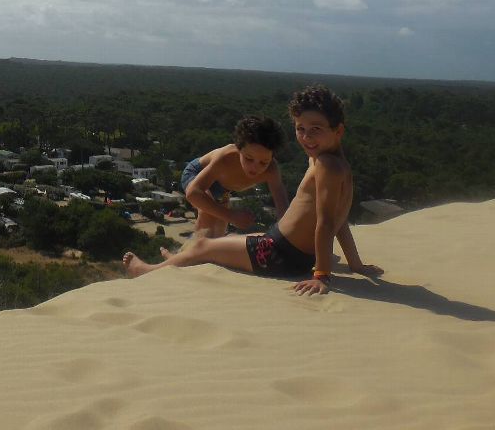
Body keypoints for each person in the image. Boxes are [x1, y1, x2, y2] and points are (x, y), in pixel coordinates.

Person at [125, 85, 382, 295]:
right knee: (215, 244)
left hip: (276, 254)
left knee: (205, 245)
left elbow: (327, 222)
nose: (306, 137)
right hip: (286, 252)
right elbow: (341, 220)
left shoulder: (326, 165)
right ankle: (180, 260)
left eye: (316, 129)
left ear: (338, 131)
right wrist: (355, 264)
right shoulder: (334, 163)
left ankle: (146, 271)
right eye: (300, 129)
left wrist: (322, 277)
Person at [180, 116, 290, 237]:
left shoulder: (272, 170)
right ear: (239, 149)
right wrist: (232, 216)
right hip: (198, 173)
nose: (255, 167)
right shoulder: (225, 158)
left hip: (223, 188)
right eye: (248, 158)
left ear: (272, 158)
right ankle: (193, 251)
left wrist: (285, 234)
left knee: (219, 230)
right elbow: (193, 193)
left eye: (263, 163)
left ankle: (207, 252)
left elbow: (282, 205)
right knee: (208, 214)